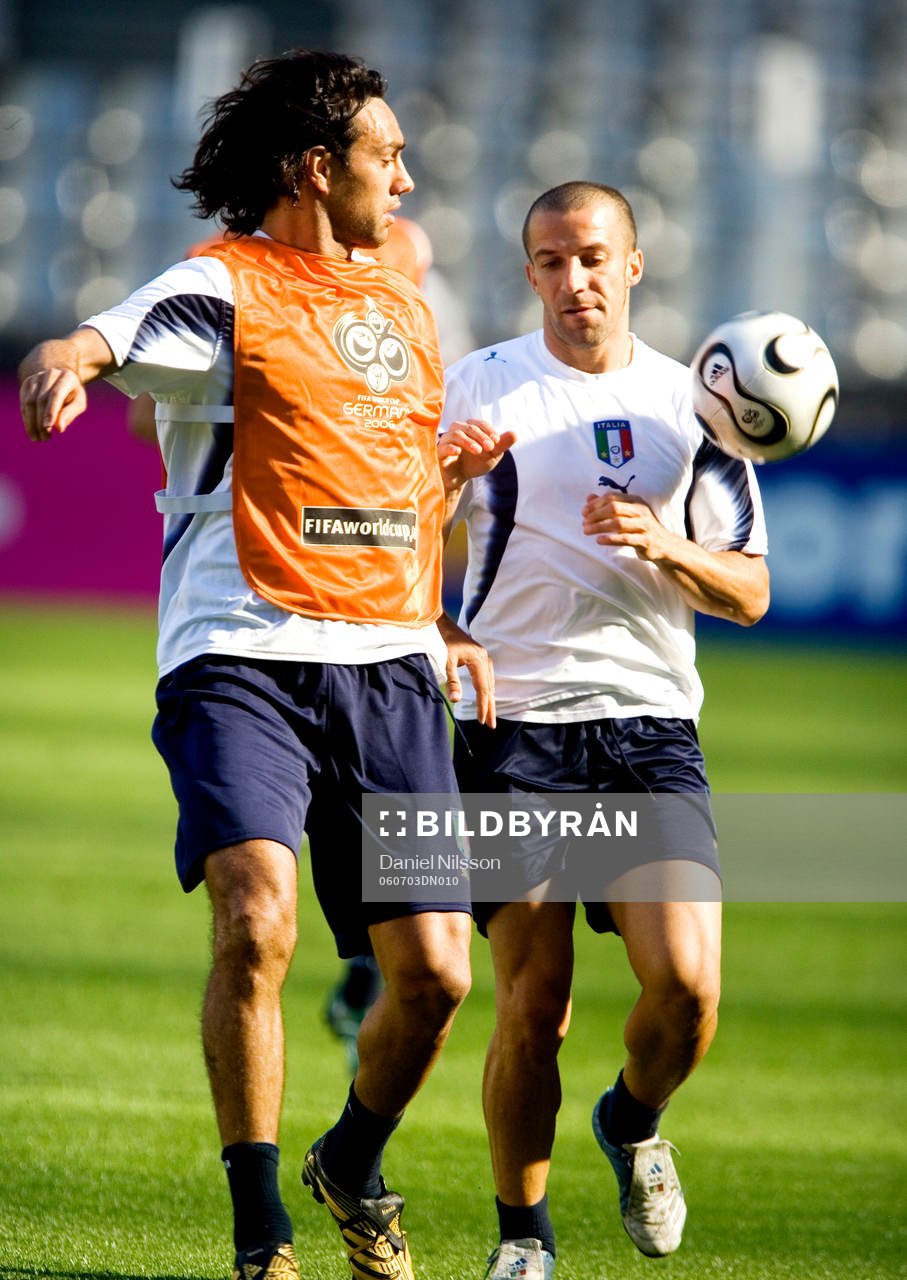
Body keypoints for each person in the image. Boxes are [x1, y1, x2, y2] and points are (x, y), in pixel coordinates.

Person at [19, 48, 494, 1280]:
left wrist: (438, 618)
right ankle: (258, 1233)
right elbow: (116, 337)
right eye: (384, 155)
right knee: (256, 919)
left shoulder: (403, 307)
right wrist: (68, 360)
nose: (404, 173)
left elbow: (399, 485)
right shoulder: (223, 287)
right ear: (313, 168)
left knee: (438, 975)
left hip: (389, 666)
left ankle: (348, 1160)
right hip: (242, 653)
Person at [437, 181, 770, 1279]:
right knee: (533, 1007)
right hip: (515, 728)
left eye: (590, 256)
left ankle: (631, 1121)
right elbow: (398, 545)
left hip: (647, 731)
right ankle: (522, 1240)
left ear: (632, 263)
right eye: (547, 260)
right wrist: (443, 524)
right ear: (527, 270)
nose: (570, 279)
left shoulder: (698, 411)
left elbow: (751, 591)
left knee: (685, 989)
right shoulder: (476, 388)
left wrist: (664, 546)